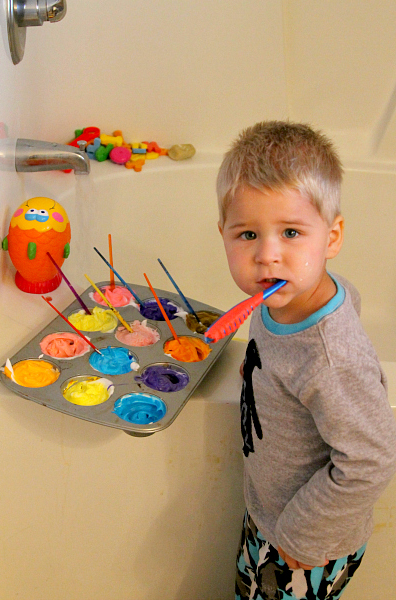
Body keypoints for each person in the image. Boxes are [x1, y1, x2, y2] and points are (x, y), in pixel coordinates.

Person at [216, 121, 396, 600]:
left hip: (306, 543)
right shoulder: (283, 296)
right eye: (247, 234)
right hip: (271, 510)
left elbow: (372, 459)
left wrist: (301, 533)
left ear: (332, 237)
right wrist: (258, 367)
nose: (267, 256)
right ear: (223, 234)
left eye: (291, 232)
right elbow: (347, 298)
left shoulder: (330, 359)